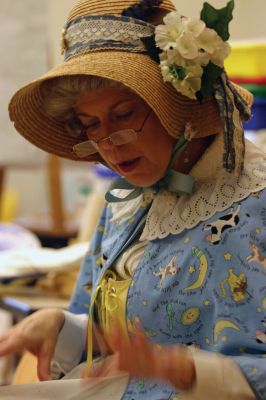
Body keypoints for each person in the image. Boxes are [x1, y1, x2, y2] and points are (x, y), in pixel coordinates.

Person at [0, 0, 265, 398]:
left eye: (124, 115)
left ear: (178, 104)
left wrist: (185, 370)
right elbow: (117, 338)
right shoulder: (126, 200)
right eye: (90, 125)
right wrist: (62, 327)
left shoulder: (254, 203)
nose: (107, 144)